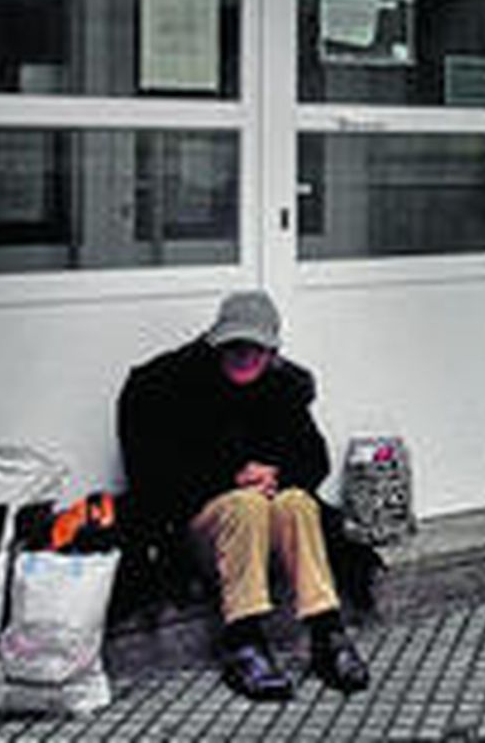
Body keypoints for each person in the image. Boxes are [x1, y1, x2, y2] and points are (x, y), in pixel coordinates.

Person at [118, 291, 371, 701]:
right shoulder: (168, 385)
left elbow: (313, 458)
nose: (244, 355)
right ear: (217, 342)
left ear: (272, 351)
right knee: (246, 504)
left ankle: (327, 633)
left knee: (297, 502)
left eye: (256, 347)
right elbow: (156, 475)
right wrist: (232, 478)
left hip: (267, 534)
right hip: (201, 532)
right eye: (235, 345)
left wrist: (276, 473)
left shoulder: (282, 386)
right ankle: (244, 641)